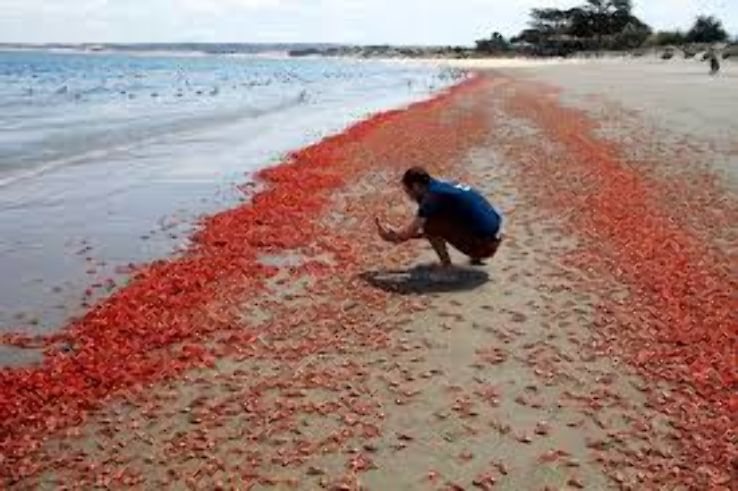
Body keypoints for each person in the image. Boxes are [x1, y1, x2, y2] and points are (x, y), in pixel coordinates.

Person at [376, 167, 503, 267]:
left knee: (430, 225)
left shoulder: (431, 197)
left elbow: (410, 232)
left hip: (485, 246)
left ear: (415, 186)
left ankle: (447, 267)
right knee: (455, 219)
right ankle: (476, 256)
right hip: (496, 232)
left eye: (408, 191)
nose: (409, 196)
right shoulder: (442, 186)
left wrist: (393, 235)